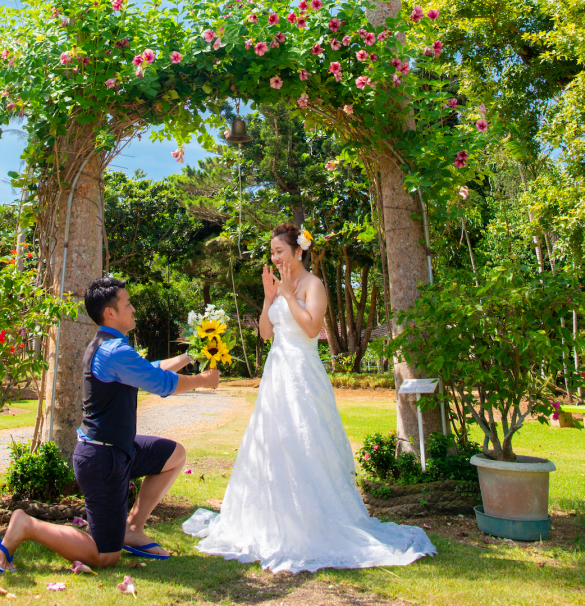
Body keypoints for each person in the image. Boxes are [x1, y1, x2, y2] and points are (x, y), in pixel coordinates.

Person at [182, 223, 436, 573]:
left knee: (304, 438)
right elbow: (267, 333)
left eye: (279, 251)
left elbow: (313, 328)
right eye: (271, 252)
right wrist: (270, 297)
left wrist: (288, 295)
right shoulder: (279, 286)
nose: (274, 257)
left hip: (302, 371)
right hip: (276, 371)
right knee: (273, 441)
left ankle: (312, 520)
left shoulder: (313, 285)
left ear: (298, 251)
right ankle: (270, 517)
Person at [0, 276, 219, 573]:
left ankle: (132, 528)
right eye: (128, 303)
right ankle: (26, 524)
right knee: (105, 556)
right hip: (102, 460)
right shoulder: (113, 351)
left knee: (175, 455)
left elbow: (149, 370)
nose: (133, 309)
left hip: (117, 450)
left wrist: (189, 356)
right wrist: (202, 381)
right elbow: (160, 383)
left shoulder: (112, 346)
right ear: (110, 313)